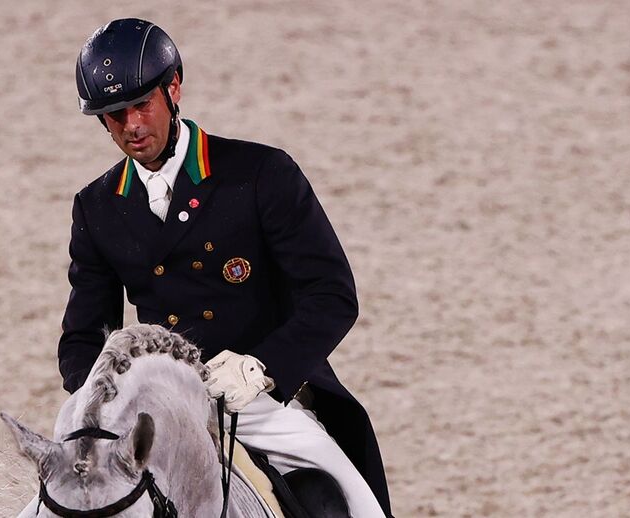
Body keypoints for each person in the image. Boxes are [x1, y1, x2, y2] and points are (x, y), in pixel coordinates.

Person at [58, 18, 393, 517]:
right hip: (158, 405)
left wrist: (261, 367)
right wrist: (98, 404)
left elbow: (332, 295)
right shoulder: (98, 206)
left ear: (173, 89)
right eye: (113, 115)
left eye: (142, 105)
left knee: (348, 503)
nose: (131, 126)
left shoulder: (260, 174)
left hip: (259, 399)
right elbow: (83, 336)